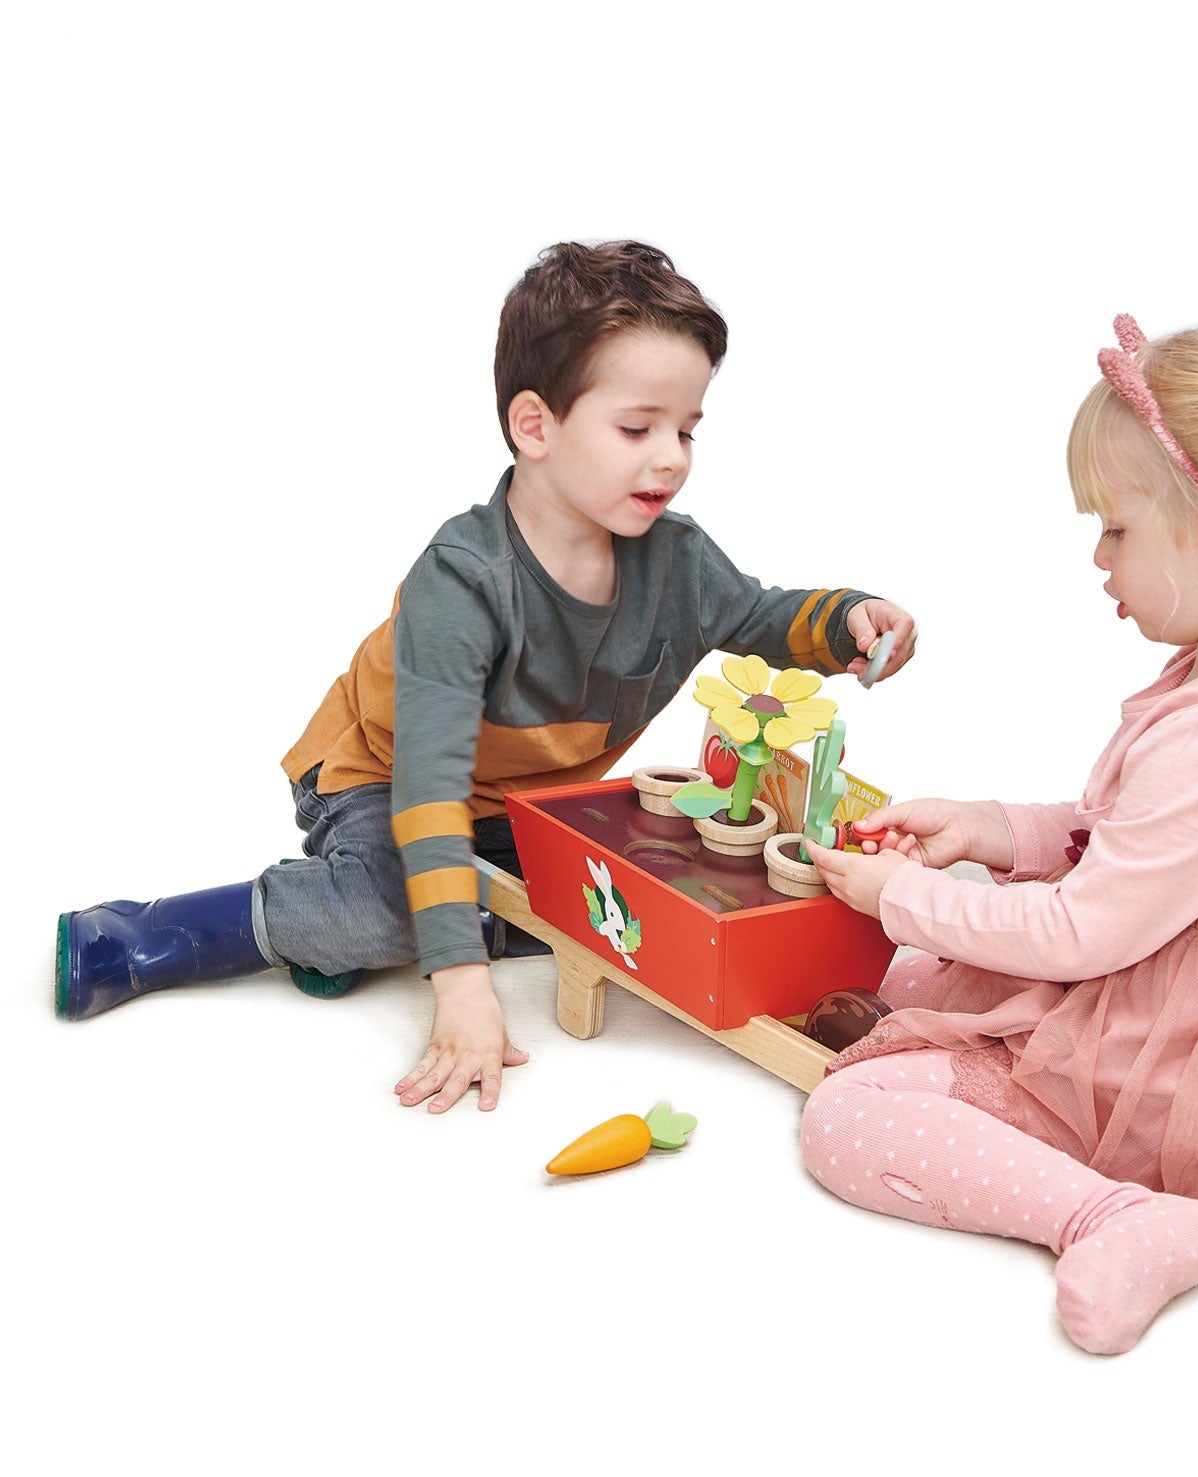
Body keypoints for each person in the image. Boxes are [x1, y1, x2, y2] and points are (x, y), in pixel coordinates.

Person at [57, 240, 916, 1114]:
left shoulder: (678, 561)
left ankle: (389, 929)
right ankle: (145, 935)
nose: (672, 458)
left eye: (686, 430)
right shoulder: (464, 582)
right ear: (534, 426)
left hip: (512, 806)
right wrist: (462, 984)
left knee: (620, 893)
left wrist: (846, 619)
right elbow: (426, 790)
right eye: (637, 429)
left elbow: (761, 615)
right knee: (393, 909)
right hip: (380, 778)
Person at [802, 315, 1198, 1355]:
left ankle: (1115, 1216)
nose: (1099, 556)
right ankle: (948, 1047)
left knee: (848, 1116)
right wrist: (994, 831)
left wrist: (906, 896)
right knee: (928, 973)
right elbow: (1144, 844)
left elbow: (1082, 935)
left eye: (1117, 530)